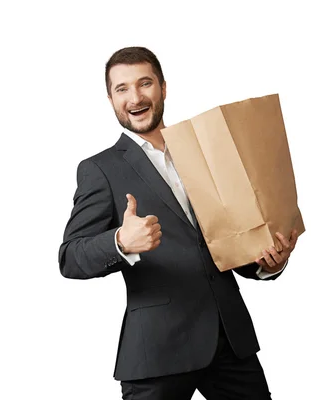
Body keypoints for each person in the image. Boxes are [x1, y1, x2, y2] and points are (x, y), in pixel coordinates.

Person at [58, 46, 300, 400]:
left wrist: (267, 264)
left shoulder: (206, 151)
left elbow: (227, 239)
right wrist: (120, 242)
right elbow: (70, 257)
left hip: (231, 341)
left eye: (145, 84)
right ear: (110, 98)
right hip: (158, 350)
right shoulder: (100, 169)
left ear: (163, 88)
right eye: (122, 88)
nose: (135, 97)